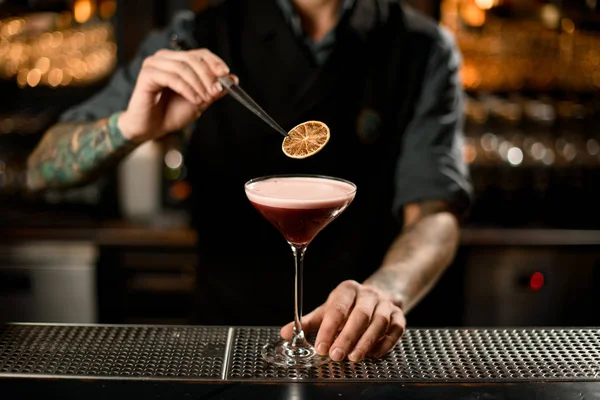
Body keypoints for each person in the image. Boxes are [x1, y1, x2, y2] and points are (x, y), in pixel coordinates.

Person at [26, 0, 472, 363]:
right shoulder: (198, 37)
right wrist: (130, 126)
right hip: (227, 334)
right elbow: (41, 170)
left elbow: (435, 213)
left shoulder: (421, 47)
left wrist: (385, 290)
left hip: (364, 343)